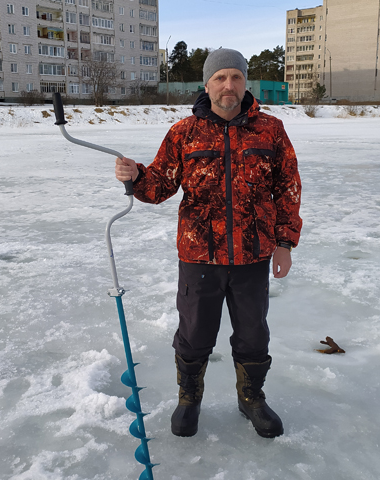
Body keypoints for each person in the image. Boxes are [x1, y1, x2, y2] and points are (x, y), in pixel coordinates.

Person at [114, 48, 302, 439]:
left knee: (253, 334)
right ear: (207, 84)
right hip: (200, 254)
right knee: (195, 333)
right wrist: (134, 176)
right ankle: (189, 399)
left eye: (235, 77)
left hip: (253, 254)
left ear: (245, 82)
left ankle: (251, 398)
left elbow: (287, 188)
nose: (228, 85)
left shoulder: (271, 129)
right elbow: (160, 186)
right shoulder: (184, 132)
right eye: (220, 78)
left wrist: (284, 242)